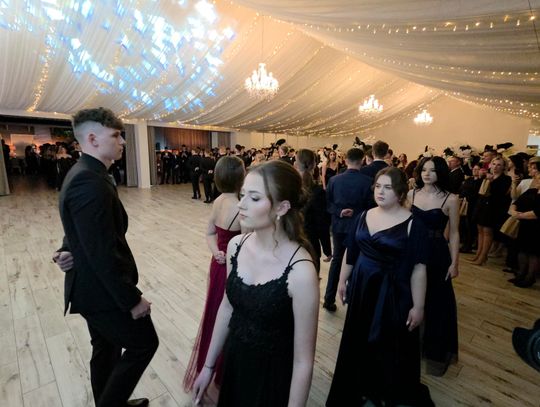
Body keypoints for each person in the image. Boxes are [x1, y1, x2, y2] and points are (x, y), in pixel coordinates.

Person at [53, 107, 158, 407]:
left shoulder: (88, 172)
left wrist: (67, 248)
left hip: (92, 287)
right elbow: (102, 252)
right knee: (145, 344)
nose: (122, 141)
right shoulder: (89, 180)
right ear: (92, 139)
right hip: (101, 291)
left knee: (106, 348)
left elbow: (84, 228)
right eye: (116, 135)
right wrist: (132, 299)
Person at [192, 160, 319, 407]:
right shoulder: (236, 246)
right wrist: (208, 366)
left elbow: (303, 360)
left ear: (282, 207)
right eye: (243, 195)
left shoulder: (301, 271)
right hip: (235, 364)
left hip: (271, 378)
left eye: (255, 198)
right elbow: (227, 306)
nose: (241, 204)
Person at [327, 167, 433, 407]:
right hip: (362, 287)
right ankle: (361, 385)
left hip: (393, 291)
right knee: (359, 338)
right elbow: (351, 253)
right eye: (378, 187)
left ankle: (383, 388)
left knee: (388, 342)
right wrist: (342, 280)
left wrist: (418, 306)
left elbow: (419, 268)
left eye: (388, 187)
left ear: (401, 192)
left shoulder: (413, 224)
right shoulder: (363, 216)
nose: (380, 192)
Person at [183, 156, 245, 395]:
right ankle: (223, 370)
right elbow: (246, 245)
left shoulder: (218, 200)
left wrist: (216, 252)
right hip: (234, 268)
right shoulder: (240, 206)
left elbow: (210, 232)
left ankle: (211, 364)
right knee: (230, 317)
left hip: (217, 263)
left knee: (215, 313)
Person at [409, 156, 459, 376]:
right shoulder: (411, 194)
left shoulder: (451, 199)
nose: (427, 174)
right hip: (413, 251)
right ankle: (410, 347)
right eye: (424, 170)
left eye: (432, 170)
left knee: (437, 302)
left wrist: (455, 262)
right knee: (411, 298)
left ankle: (434, 350)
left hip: (437, 253)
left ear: (440, 173)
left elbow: (455, 233)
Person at [323, 148, 373, 312]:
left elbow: (328, 204)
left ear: (345, 160)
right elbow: (370, 207)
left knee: (337, 260)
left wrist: (339, 212)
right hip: (359, 226)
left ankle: (329, 298)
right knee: (356, 261)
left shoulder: (334, 180)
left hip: (339, 225)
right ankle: (352, 300)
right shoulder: (368, 181)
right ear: (362, 160)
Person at [295, 149, 332, 271]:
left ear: (296, 164)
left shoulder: (290, 187)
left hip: (291, 241)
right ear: (314, 165)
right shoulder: (318, 192)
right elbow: (322, 223)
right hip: (310, 242)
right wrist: (327, 249)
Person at [471, 156, 512, 265]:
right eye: (494, 164)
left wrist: (491, 181)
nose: (495, 167)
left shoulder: (506, 179)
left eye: (499, 165)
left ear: (503, 167)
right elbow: (478, 191)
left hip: (493, 208)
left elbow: (499, 194)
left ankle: (483, 257)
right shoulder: (487, 176)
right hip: (482, 206)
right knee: (480, 231)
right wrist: (481, 178)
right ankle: (478, 254)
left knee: (487, 232)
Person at [507, 158, 540, 288]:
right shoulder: (532, 187)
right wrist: (513, 209)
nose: (530, 169)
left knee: (533, 252)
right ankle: (521, 274)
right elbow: (518, 200)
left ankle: (530, 277)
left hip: (536, 225)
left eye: (534, 168)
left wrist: (519, 215)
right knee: (522, 249)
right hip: (525, 223)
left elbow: (537, 212)